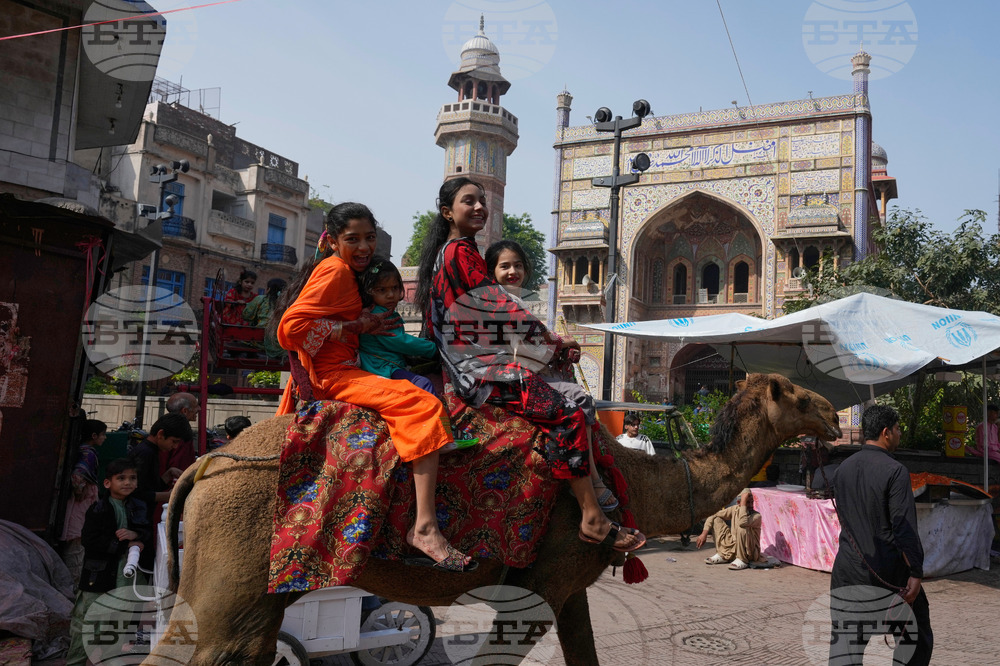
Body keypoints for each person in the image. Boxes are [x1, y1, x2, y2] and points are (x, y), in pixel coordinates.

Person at [415, 176, 646, 553]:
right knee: (568, 414)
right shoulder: (458, 252)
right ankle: (592, 517)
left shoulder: (455, 252)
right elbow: (499, 308)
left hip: (473, 364)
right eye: (468, 201)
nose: (479, 207)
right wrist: (553, 342)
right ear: (447, 212)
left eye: (482, 200)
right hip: (479, 372)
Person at [271, 202, 476, 572]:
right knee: (423, 404)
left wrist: (360, 323)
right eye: (353, 239)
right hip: (336, 374)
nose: (364, 247)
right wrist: (353, 327)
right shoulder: (335, 270)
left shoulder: (347, 270)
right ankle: (425, 528)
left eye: (370, 238)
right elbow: (289, 330)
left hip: (347, 367)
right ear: (334, 241)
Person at [486, 239, 618, 511]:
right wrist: (560, 344)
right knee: (578, 399)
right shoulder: (500, 302)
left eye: (518, 265)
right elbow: (523, 346)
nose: (513, 271)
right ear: (492, 271)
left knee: (579, 397)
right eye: (505, 266)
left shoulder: (514, 300)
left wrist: (557, 344)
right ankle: (590, 479)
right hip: (516, 374)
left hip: (526, 369)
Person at [829, 404, 932, 666]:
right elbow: (903, 527)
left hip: (847, 573)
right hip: (887, 574)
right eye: (897, 429)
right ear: (886, 432)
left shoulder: (842, 469)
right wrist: (916, 572)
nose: (899, 434)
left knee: (846, 648)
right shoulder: (895, 471)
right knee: (916, 638)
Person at [65, 458, 150, 666]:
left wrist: (136, 534)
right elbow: (90, 541)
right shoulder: (98, 509)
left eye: (132, 478)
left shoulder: (138, 506)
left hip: (126, 575)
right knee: (87, 623)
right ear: (107, 483)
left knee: (119, 620)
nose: (127, 482)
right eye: (121, 478)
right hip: (98, 575)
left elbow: (146, 531)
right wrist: (123, 545)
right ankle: (76, 662)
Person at [356, 258, 440, 397]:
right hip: (382, 367)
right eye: (381, 290)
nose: (390, 295)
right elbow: (400, 341)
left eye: (394, 288)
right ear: (369, 292)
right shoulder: (379, 315)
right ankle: (436, 411)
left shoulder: (379, 311)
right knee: (424, 384)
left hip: (385, 364)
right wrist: (434, 349)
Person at [130, 413, 191, 569]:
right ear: (160, 434)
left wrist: (167, 475)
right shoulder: (145, 453)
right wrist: (170, 496)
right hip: (136, 520)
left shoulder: (151, 450)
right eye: (174, 441)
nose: (175, 447)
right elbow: (135, 492)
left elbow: (150, 486)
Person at [60, 419, 108, 587]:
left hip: (79, 504)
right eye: (103, 434)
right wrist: (80, 491)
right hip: (81, 505)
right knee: (76, 545)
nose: (105, 438)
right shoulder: (89, 454)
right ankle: (72, 586)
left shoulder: (81, 450)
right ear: (94, 436)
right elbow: (77, 476)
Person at [695, 489, 765, 570]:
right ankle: (723, 554)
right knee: (716, 520)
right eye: (747, 502)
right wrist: (704, 534)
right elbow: (713, 515)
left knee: (742, 526)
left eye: (751, 502)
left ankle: (742, 560)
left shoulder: (756, 516)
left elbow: (743, 522)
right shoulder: (735, 509)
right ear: (738, 503)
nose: (750, 505)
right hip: (733, 547)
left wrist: (743, 503)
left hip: (749, 552)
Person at [243, 277, 287, 359]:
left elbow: (246, 316)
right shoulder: (287, 304)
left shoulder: (260, 299)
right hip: (279, 344)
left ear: (268, 289)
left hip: (259, 341)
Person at [160, 391, 199, 473]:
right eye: (195, 406)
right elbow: (179, 464)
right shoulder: (180, 431)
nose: (199, 409)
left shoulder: (167, 425)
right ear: (185, 411)